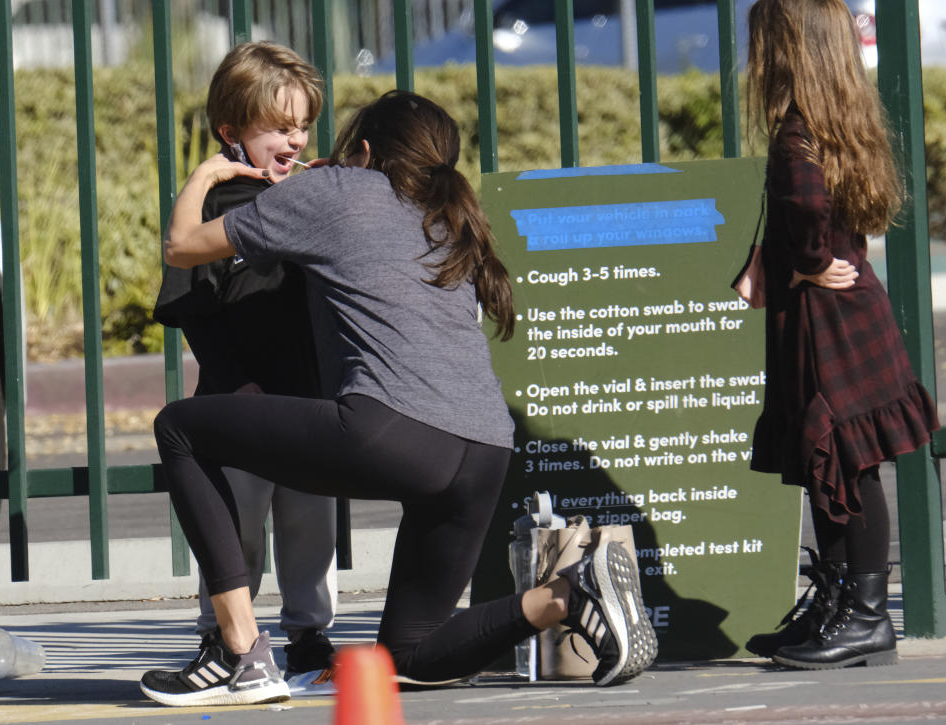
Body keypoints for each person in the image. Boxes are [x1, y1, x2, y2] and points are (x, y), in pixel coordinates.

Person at [140, 90, 657, 707]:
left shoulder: (334, 192)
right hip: (485, 449)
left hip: (390, 431)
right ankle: (567, 596)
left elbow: (183, 247)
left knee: (180, 428)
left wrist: (207, 171)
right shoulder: (447, 215)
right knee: (410, 655)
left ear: (361, 150)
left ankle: (240, 652)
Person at [741, 0, 940, 670]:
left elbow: (807, 207)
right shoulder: (837, 122)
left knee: (845, 463)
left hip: (830, 324)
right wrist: (785, 263)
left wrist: (809, 260)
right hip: (841, 317)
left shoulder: (799, 133)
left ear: (788, 49)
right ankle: (837, 603)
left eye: (763, 41)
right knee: (833, 461)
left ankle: (865, 614)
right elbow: (809, 207)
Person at [151, 41, 337, 691]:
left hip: (309, 397)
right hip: (241, 398)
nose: (295, 140)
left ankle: (311, 637)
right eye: (278, 128)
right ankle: (224, 638)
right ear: (231, 131)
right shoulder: (210, 208)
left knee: (311, 522)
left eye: (302, 126)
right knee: (236, 522)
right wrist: (234, 377)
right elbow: (194, 308)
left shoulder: (315, 195)